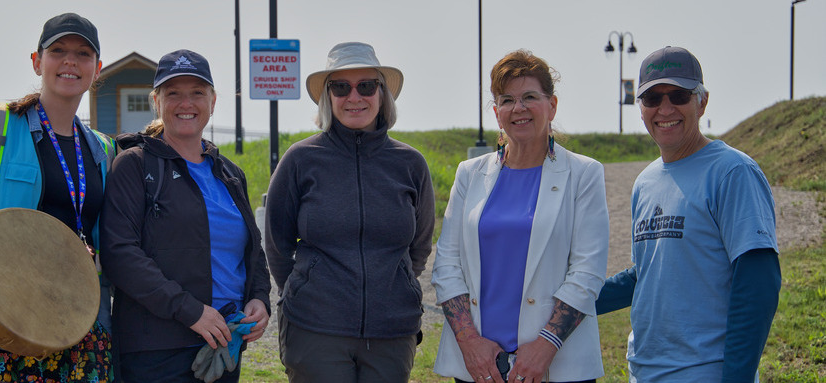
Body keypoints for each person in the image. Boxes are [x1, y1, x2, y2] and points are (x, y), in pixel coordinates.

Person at [0, 13, 116, 382]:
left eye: (82, 54)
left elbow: (108, 244)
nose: (69, 61)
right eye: (58, 50)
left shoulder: (103, 151)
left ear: (97, 68)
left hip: (74, 335)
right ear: (37, 61)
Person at [595, 46, 781, 382]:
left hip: (704, 372)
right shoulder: (645, 182)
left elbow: (758, 282)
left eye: (678, 95)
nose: (665, 108)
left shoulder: (732, 172)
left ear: (702, 101)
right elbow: (647, 274)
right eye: (652, 98)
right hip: (644, 371)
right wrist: (571, 301)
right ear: (641, 108)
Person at [431, 49, 608, 383]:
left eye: (530, 96)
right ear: (497, 113)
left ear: (551, 105)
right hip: (480, 367)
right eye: (507, 100)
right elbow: (446, 265)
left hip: (555, 366)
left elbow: (587, 271)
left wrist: (544, 347)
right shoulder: (469, 174)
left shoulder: (583, 174)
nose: (519, 108)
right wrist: (470, 343)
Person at [264, 41, 435, 383]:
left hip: (391, 331)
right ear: (328, 96)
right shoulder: (300, 160)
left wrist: (396, 285)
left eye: (366, 86)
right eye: (341, 87)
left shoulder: (411, 164)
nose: (354, 97)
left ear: (382, 94)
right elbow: (277, 244)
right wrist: (306, 289)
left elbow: (420, 245)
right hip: (314, 329)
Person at [99, 49, 271, 383]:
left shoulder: (230, 173)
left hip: (223, 345)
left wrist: (259, 298)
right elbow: (120, 254)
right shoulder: (135, 164)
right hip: (156, 353)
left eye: (197, 93)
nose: (186, 103)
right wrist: (191, 312)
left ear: (213, 101)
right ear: (156, 101)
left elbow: (252, 250)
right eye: (173, 93)